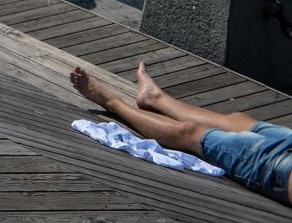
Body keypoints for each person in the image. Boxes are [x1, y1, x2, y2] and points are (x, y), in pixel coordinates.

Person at [71, 63, 292, 206]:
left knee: (190, 133)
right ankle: (155, 98)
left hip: (283, 171)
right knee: (240, 121)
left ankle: (113, 103)